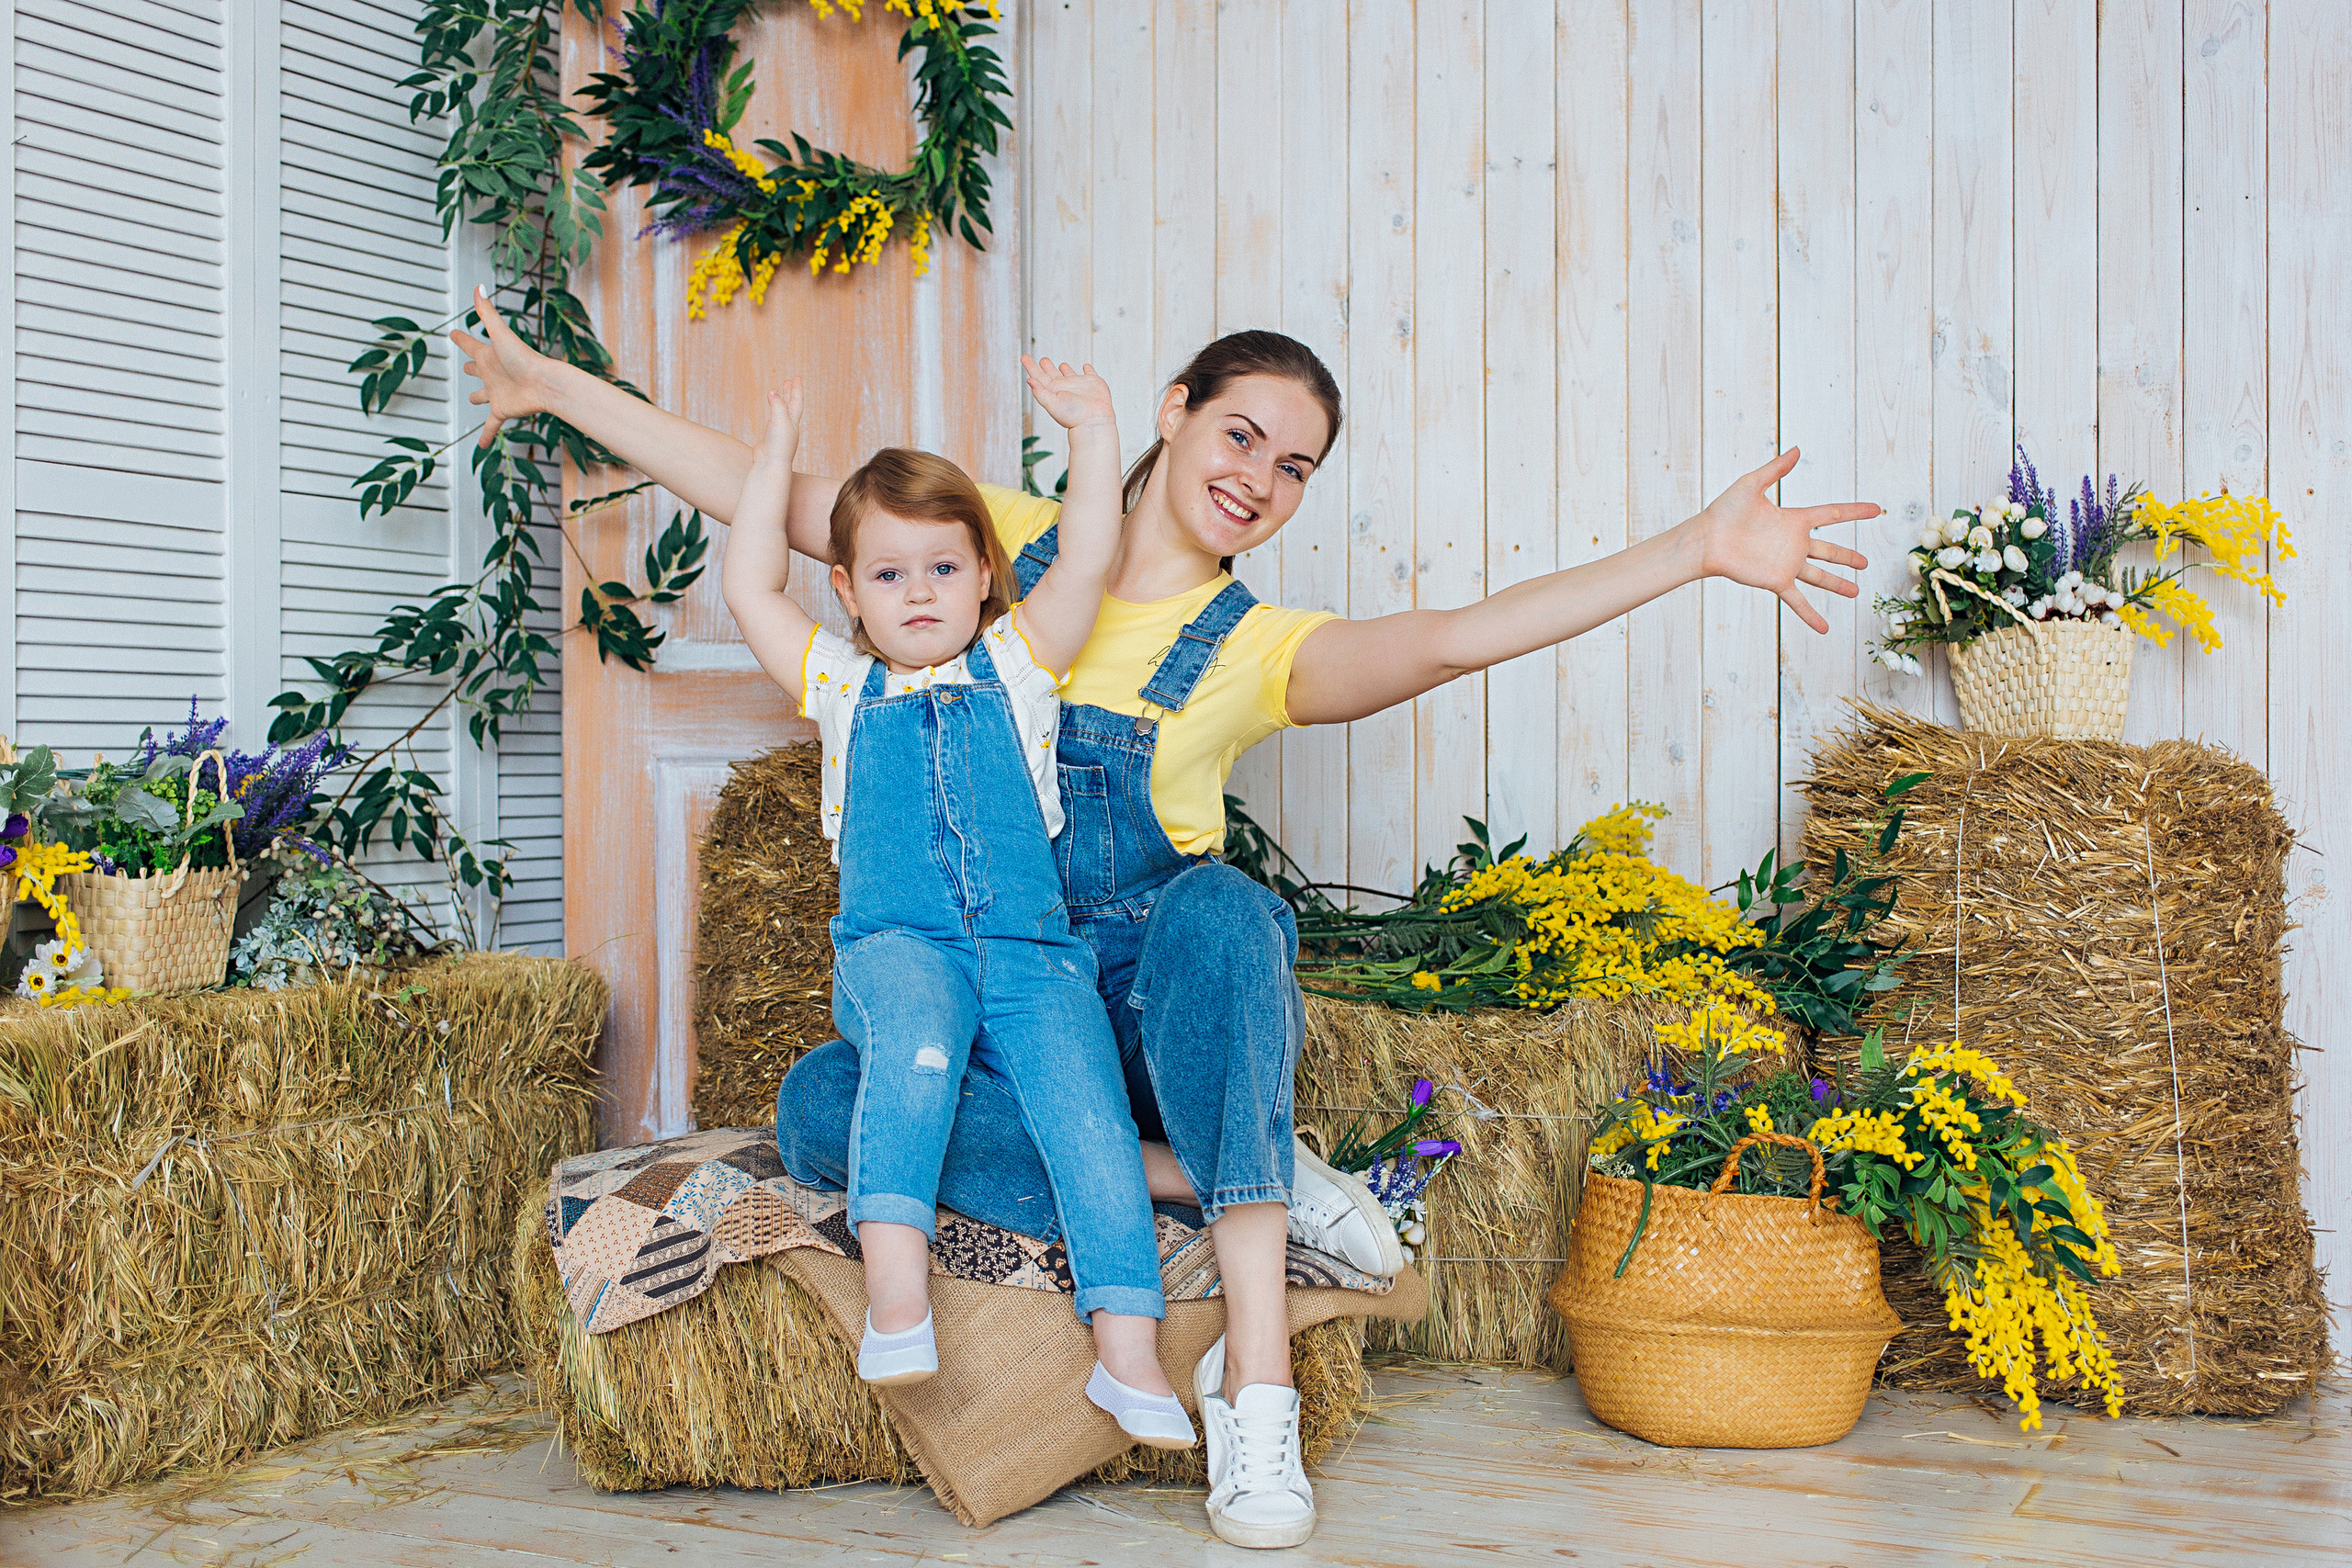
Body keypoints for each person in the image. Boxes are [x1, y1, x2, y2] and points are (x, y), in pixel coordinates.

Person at [453, 290, 1876, 1549]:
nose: (1261, 478)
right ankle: (1219, 1172)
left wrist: (1695, 548)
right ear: (1178, 412)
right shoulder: (1003, 544)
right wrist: (558, 391)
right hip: (990, 992)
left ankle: (1253, 1382)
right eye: (1244, 433)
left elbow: (1459, 633)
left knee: (1223, 908)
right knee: (827, 1101)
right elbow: (768, 498)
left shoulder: (1258, 650)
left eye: (1297, 467)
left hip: (1136, 999)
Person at [716, 360, 1194, 1450]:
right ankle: (898, 1307)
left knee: (1088, 1120)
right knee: (914, 1058)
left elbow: (1088, 553)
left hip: (1034, 952)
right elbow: (750, 589)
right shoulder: (840, 686)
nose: (919, 591)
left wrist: (1096, 428)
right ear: (846, 590)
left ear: (985, 573)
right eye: (888, 574)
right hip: (901, 943)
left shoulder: (1022, 667)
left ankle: (1127, 1355)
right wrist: (772, 463)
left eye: (943, 565)